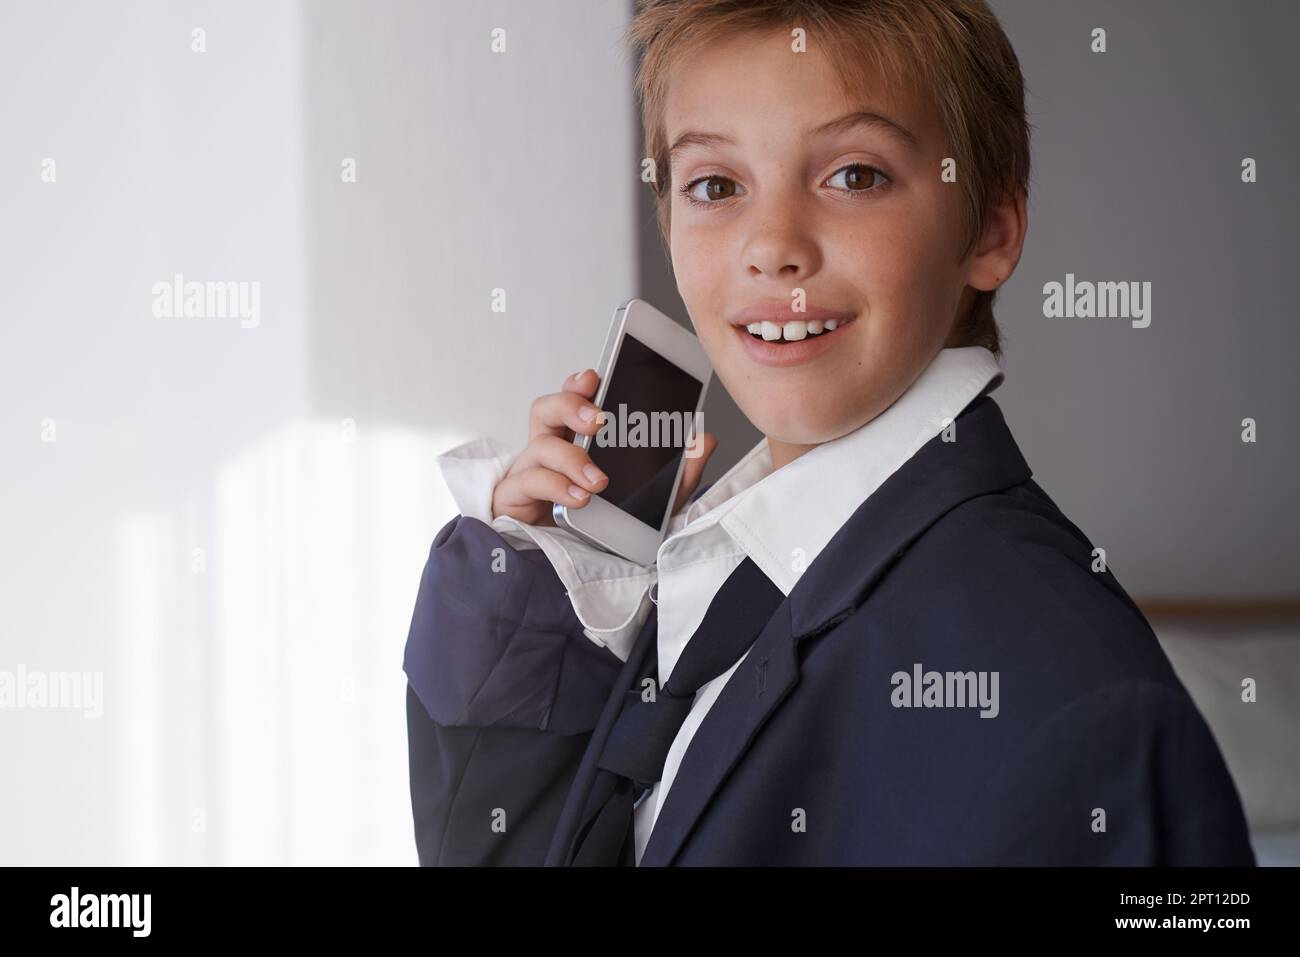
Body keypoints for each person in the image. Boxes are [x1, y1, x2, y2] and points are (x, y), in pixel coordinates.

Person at [403, 0, 1255, 866]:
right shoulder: (714, 580)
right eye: (716, 185)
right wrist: (538, 578)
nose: (772, 246)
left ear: (992, 229)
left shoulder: (1068, 699)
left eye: (854, 176)